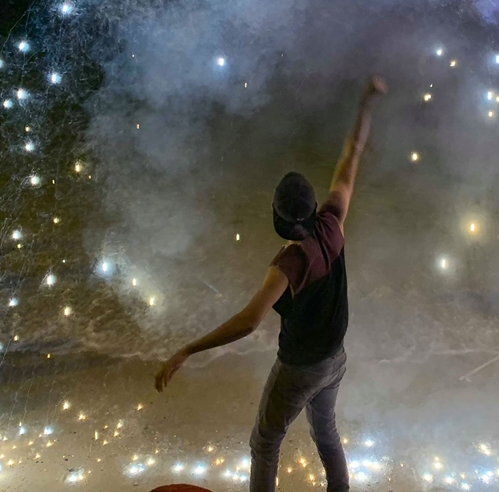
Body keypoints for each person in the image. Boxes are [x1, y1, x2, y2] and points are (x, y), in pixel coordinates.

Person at [155, 74, 387, 492]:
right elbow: (351, 156)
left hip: (301, 368)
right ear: (312, 209)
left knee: (264, 442)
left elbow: (248, 321)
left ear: (280, 219)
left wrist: (188, 348)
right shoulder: (333, 222)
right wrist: (365, 104)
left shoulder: (289, 264)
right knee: (326, 433)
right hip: (335, 359)